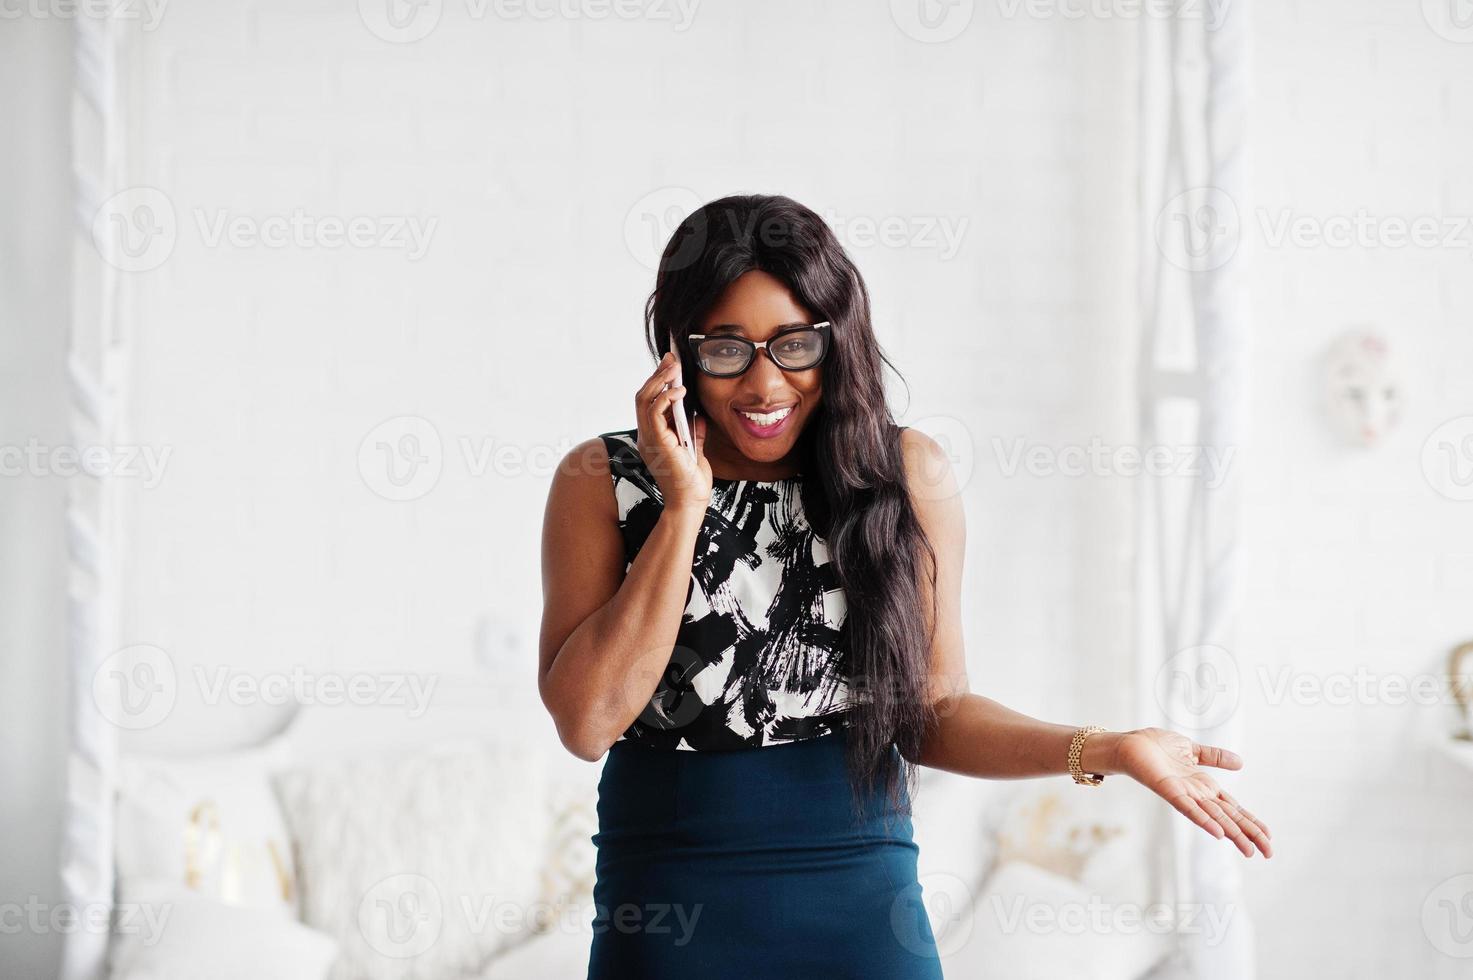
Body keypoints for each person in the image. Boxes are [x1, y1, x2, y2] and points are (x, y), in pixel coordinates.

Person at [538, 194, 1271, 979]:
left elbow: (934, 715)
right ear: (677, 354)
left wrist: (1110, 749)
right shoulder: (603, 480)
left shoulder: (901, 475)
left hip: (860, 916)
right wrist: (685, 503)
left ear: (836, 338)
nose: (762, 384)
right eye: (725, 349)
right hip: (668, 918)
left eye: (793, 345)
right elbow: (586, 724)